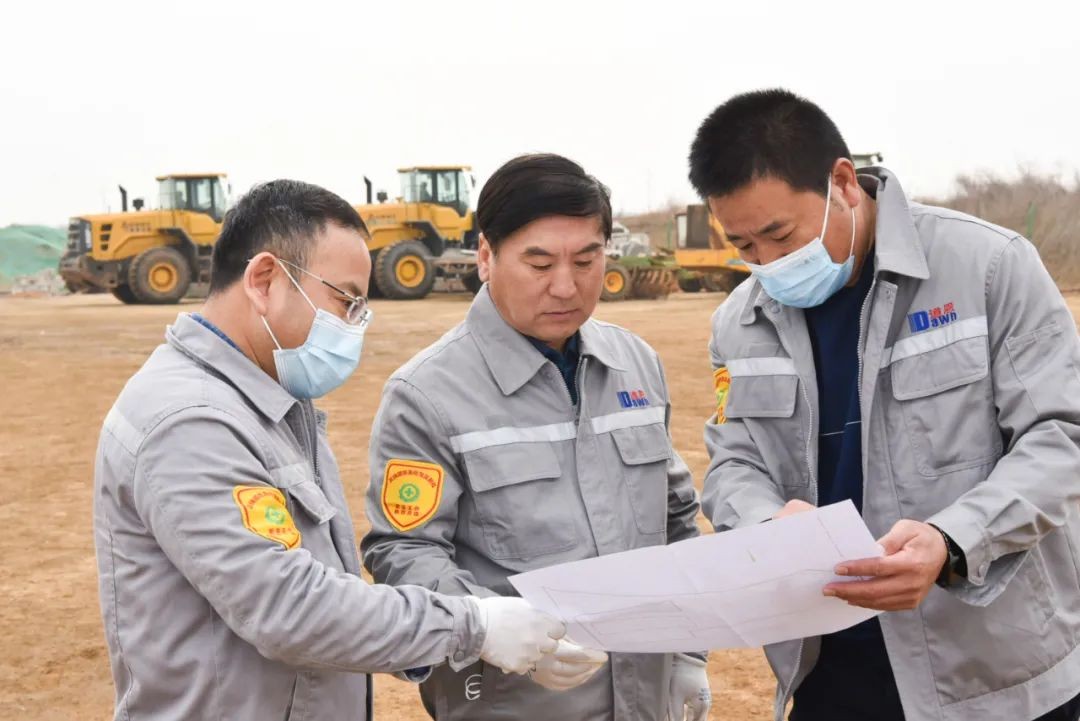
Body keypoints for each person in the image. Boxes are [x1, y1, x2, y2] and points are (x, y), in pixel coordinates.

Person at [92, 179, 567, 721]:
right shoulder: (190, 422)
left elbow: (325, 589)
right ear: (264, 280)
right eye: (346, 300)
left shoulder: (271, 399)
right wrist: (472, 625)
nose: (353, 325)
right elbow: (287, 606)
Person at [688, 88, 1080, 721]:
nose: (767, 263)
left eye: (780, 235)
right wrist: (765, 524)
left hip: (994, 674)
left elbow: (1062, 435)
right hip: (830, 670)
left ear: (843, 183)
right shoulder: (739, 322)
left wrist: (953, 540)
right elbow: (735, 461)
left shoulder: (988, 266)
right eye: (743, 246)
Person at [362, 153, 711, 721]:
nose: (566, 286)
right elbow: (403, 551)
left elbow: (674, 520)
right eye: (540, 263)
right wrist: (485, 627)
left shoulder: (635, 365)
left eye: (586, 260)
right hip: (512, 705)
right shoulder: (428, 394)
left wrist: (689, 651)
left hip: (646, 700)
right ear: (485, 255)